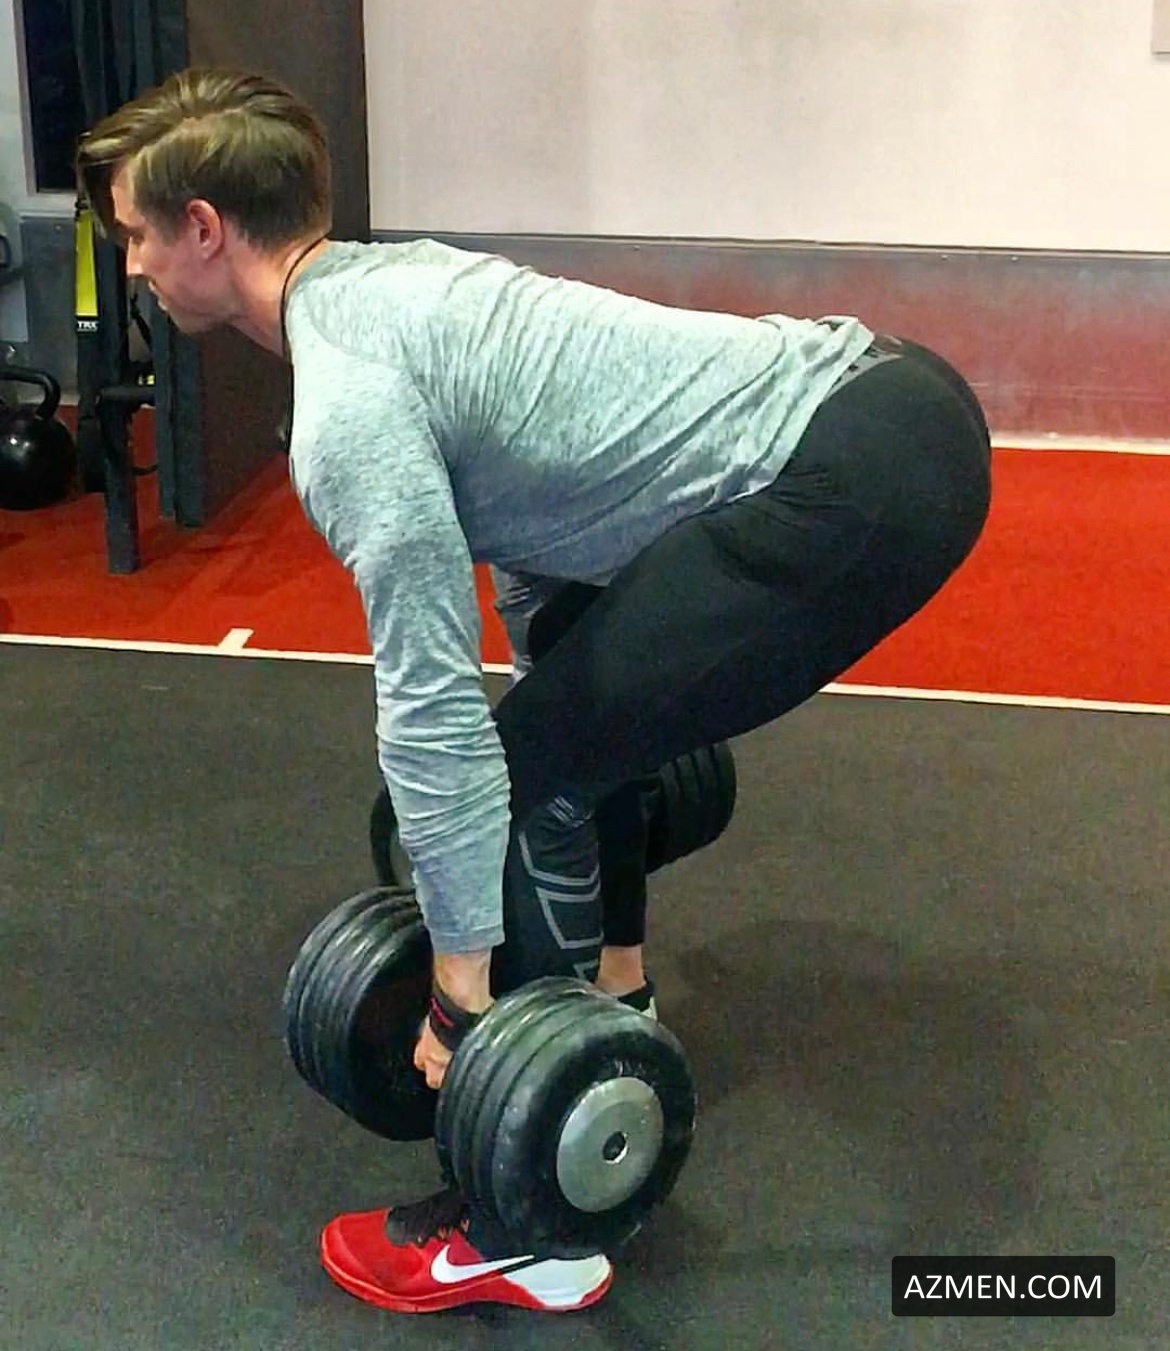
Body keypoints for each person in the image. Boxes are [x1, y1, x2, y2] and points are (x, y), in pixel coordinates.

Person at [76, 68, 992, 1315]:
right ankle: (618, 988)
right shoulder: (396, 285)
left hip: (847, 481)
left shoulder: (349, 403)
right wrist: (559, 765)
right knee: (562, 736)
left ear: (203, 228)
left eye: (134, 233)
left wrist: (462, 997)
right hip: (887, 408)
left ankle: (527, 1236)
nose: (130, 265)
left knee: (513, 787)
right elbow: (544, 556)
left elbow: (435, 715)